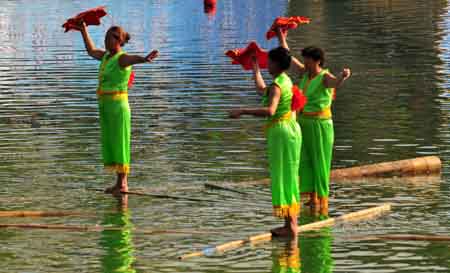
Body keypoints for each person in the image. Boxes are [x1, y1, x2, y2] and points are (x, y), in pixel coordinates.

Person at [76, 22, 159, 195]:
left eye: (109, 39)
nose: (106, 42)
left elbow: (133, 59)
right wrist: (83, 30)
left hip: (118, 107)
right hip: (106, 106)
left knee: (120, 142)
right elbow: (91, 51)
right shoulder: (106, 56)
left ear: (118, 41)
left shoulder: (121, 58)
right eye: (105, 38)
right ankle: (118, 182)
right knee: (112, 142)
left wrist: (144, 59)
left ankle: (123, 184)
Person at [276, 28, 351, 214]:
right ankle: (311, 198)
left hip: (320, 125)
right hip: (303, 123)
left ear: (317, 60)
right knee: (306, 160)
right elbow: (288, 58)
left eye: (308, 60)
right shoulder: (305, 74)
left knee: (320, 161)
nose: (305, 63)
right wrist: (281, 38)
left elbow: (335, 83)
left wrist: (343, 76)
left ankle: (322, 199)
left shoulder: (324, 76)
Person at [229, 47, 302, 236]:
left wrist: (243, 111)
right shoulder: (285, 80)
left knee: (282, 175)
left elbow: (270, 110)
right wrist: (255, 70)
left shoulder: (278, 85)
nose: (266, 64)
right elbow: (263, 90)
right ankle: (291, 223)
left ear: (277, 64)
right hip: (291, 129)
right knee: (289, 174)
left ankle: (291, 226)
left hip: (281, 132)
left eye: (268, 62)